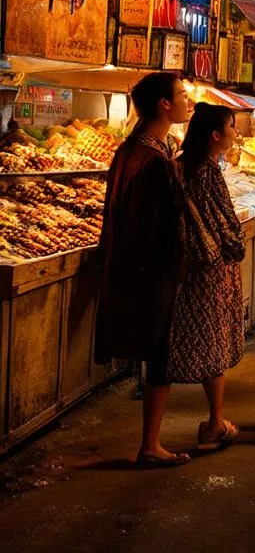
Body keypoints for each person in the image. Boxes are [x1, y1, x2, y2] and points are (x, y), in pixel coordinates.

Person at [94, 72, 191, 468]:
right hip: (151, 274)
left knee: (155, 356)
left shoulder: (134, 149)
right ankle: (151, 444)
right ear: (163, 105)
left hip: (138, 269)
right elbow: (160, 226)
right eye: (183, 95)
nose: (189, 101)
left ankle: (151, 442)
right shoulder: (152, 160)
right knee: (159, 356)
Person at [169, 103, 246, 450]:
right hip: (210, 271)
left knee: (199, 337)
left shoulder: (179, 167)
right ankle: (215, 422)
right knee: (213, 340)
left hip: (189, 269)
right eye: (231, 127)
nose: (235, 133)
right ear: (216, 135)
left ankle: (214, 419)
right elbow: (226, 225)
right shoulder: (206, 173)